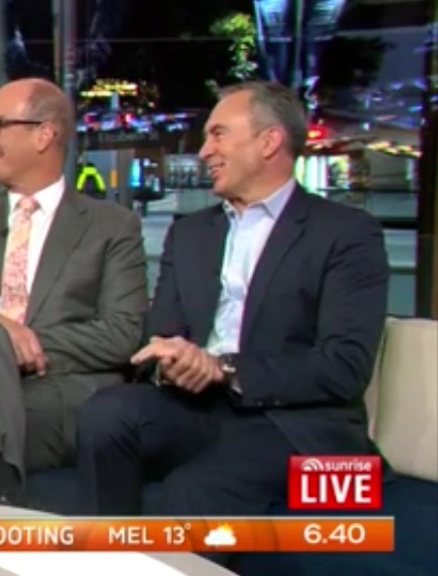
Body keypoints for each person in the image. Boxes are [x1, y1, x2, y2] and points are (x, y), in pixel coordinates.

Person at [75, 81, 389, 558]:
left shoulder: (345, 233)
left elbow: (344, 365)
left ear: (269, 141)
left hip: (292, 422)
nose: (204, 151)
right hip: (196, 406)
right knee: (106, 414)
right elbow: (160, 334)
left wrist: (224, 368)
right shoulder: (190, 233)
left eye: (218, 134)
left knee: (195, 490)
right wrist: (172, 363)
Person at [0, 78, 148, 505]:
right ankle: (1, 503)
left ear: (44, 134)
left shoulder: (112, 226)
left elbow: (121, 334)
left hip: (58, 393)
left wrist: (14, 345)